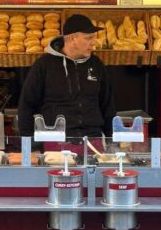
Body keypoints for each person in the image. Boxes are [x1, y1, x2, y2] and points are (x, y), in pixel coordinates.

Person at [18, 14, 116, 142]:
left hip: (92, 140)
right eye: (88, 38)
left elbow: (108, 106)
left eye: (94, 38)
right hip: (55, 142)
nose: (93, 42)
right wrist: (30, 147)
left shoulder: (96, 64)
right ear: (72, 38)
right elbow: (26, 106)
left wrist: (112, 143)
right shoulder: (44, 65)